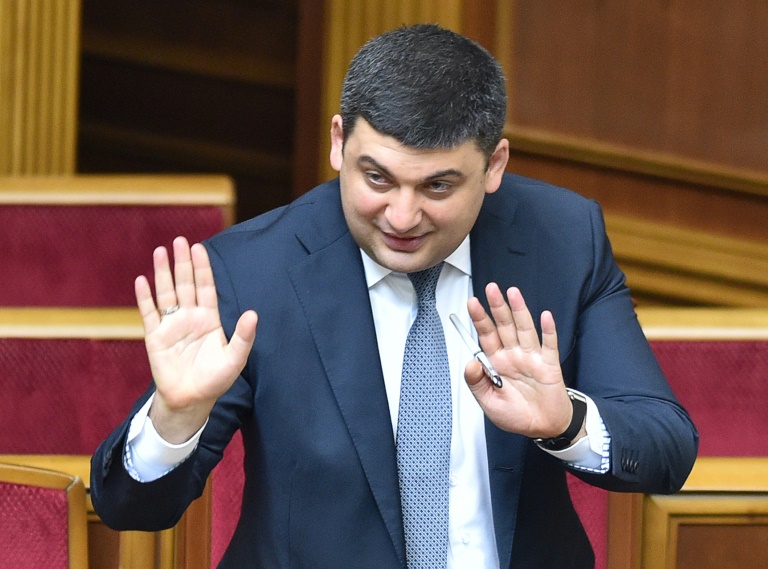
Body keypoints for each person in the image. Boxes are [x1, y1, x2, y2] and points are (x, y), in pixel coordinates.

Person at [91, 24, 698, 568]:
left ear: (494, 165)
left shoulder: (563, 240)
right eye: (377, 177)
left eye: (437, 185)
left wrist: (565, 422)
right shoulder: (253, 271)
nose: (401, 216)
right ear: (338, 143)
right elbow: (131, 509)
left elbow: (667, 448)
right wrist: (177, 417)